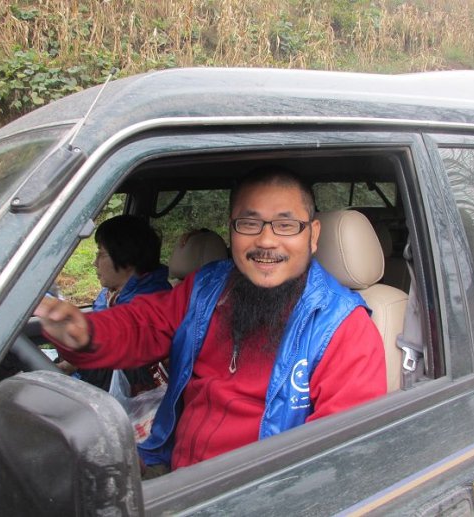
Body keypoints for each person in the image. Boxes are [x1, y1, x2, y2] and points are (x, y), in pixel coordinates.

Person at [36, 168, 386, 476]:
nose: (266, 240)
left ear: (312, 235)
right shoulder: (208, 288)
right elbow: (144, 324)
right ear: (231, 230)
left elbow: (338, 458)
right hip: (175, 468)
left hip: (251, 493)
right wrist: (85, 332)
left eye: (286, 225)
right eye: (249, 223)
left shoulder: (342, 327)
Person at [63, 215, 172, 394]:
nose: (95, 263)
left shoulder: (151, 307)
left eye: (101, 254)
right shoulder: (111, 295)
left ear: (127, 258)